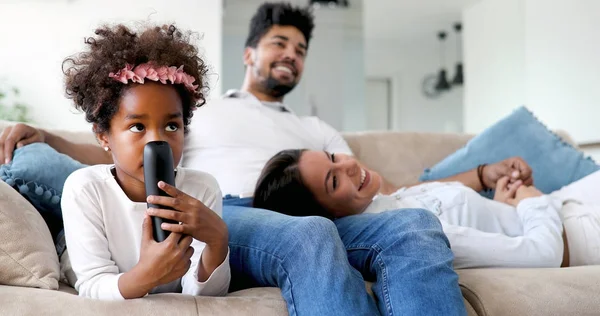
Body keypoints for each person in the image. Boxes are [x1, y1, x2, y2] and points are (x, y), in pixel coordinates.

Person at [0, 3, 475, 315]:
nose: (291, 54)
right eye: (279, 44)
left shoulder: (317, 130)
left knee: (412, 224)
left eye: (300, 49)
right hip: (234, 209)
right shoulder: (197, 107)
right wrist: (49, 139)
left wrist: (474, 177)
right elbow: (125, 155)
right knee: (310, 235)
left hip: (307, 212)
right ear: (250, 54)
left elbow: (381, 187)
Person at [59, 24, 230, 299]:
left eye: (172, 126)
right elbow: (92, 286)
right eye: (138, 127)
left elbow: (203, 297)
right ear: (104, 136)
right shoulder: (85, 189)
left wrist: (218, 241)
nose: (156, 142)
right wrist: (145, 275)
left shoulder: (203, 189)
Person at [253, 149, 600, 268]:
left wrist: (500, 206)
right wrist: (531, 200)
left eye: (333, 157)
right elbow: (543, 255)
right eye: (333, 181)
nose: (347, 166)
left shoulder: (385, 201)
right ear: (330, 216)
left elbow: (488, 228)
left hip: (566, 205)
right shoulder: (412, 233)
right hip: (584, 232)